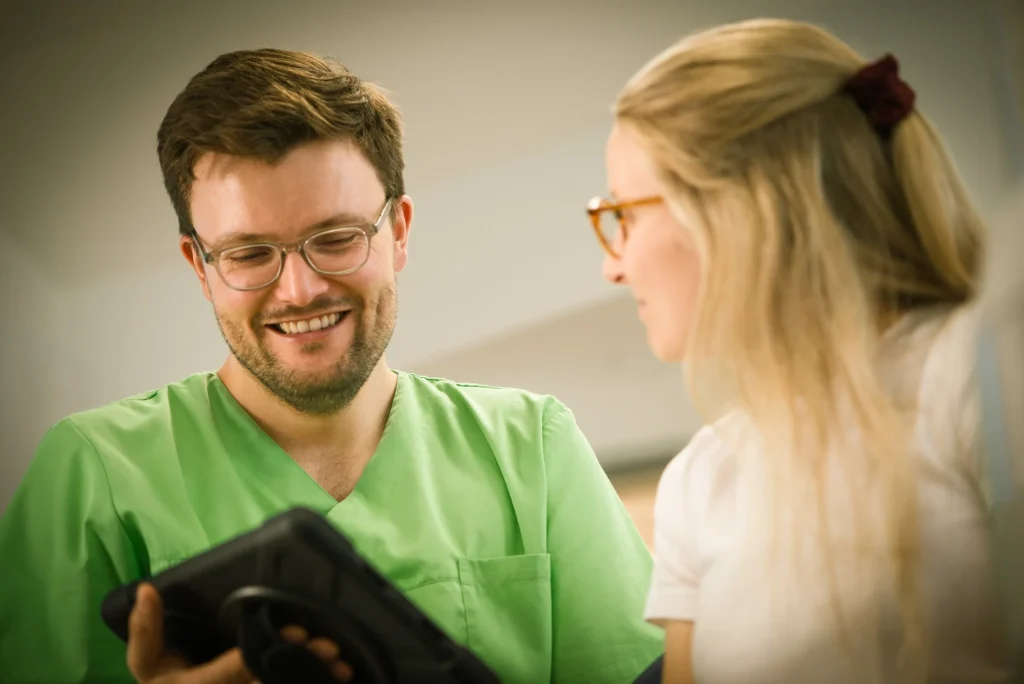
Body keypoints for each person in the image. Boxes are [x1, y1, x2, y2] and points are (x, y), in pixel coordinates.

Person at [0, 48, 662, 684]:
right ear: (199, 267)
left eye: (337, 238)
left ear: (398, 231)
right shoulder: (95, 471)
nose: (299, 290)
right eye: (249, 253)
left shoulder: (531, 446)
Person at [586, 18, 1012, 684]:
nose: (613, 266)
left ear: (738, 208)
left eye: (626, 216)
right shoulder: (699, 480)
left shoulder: (972, 370)